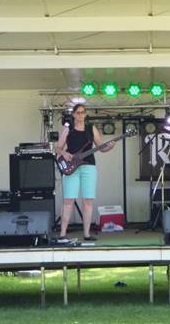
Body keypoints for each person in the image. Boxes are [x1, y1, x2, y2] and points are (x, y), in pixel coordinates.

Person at [56, 103, 115, 241]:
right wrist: (64, 153)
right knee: (68, 200)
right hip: (71, 168)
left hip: (89, 167)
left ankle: (87, 234)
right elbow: (58, 148)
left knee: (88, 201)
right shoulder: (68, 129)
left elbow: (101, 147)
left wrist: (110, 147)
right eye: (78, 112)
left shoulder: (91, 128)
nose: (80, 115)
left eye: (83, 112)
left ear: (85, 114)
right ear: (73, 114)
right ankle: (63, 234)